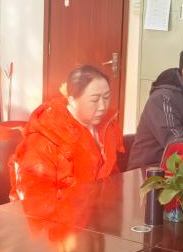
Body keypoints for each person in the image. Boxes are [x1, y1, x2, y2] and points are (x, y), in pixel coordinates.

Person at [9, 65, 123, 202]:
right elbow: (35, 195)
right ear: (72, 100)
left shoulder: (107, 127)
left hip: (98, 206)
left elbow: (112, 175)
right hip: (59, 210)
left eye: (106, 97)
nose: (102, 106)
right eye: (94, 100)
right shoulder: (47, 133)